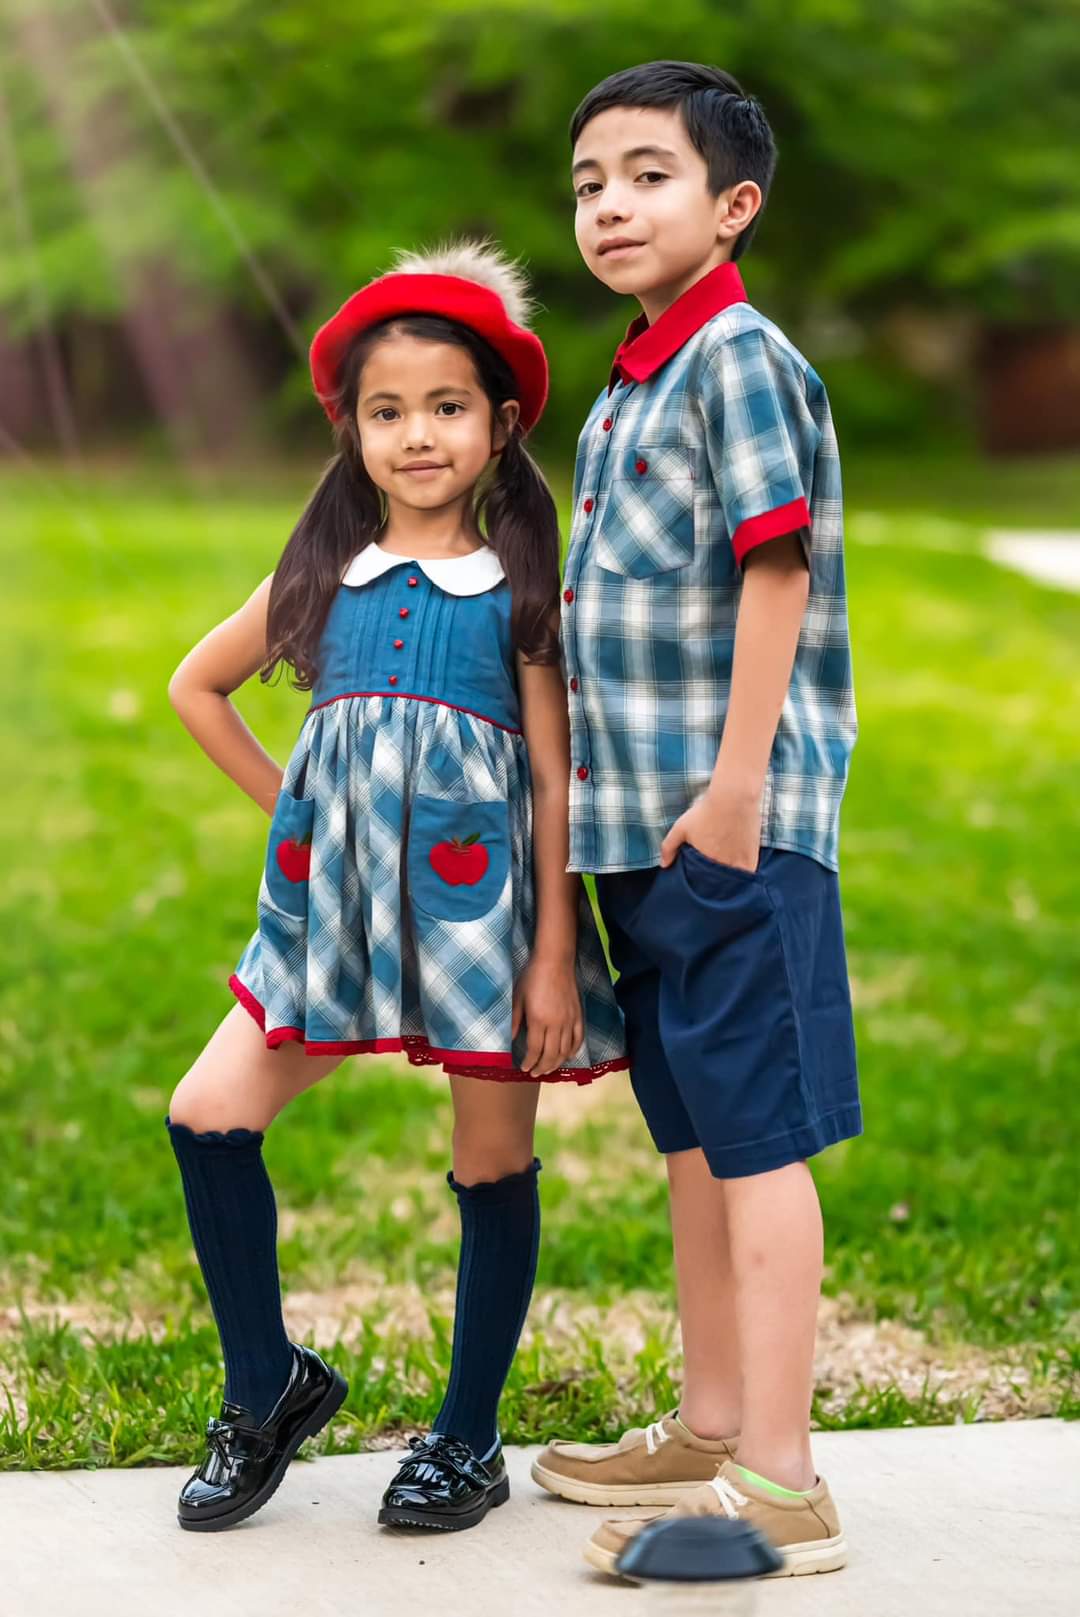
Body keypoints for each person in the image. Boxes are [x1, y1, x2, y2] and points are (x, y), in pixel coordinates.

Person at [164, 241, 626, 1536]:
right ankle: (266, 1388)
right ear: (350, 428)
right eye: (386, 411)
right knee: (206, 1114)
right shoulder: (323, 573)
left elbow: (549, 773)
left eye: (445, 406)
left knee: (491, 1159)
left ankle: (466, 1435)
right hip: (336, 920)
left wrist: (549, 960)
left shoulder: (520, 582)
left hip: (491, 923)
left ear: (500, 420)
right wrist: (298, 820)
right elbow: (194, 687)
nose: (415, 434)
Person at [530, 63, 861, 1577]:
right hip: (635, 834)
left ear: (733, 206)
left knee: (755, 1138)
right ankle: (714, 1418)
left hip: (732, 822)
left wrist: (736, 791)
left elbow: (776, 575)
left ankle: (785, 1482)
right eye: (590, 179)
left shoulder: (740, 359)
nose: (609, 202)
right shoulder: (627, 387)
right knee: (690, 1137)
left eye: (647, 174)